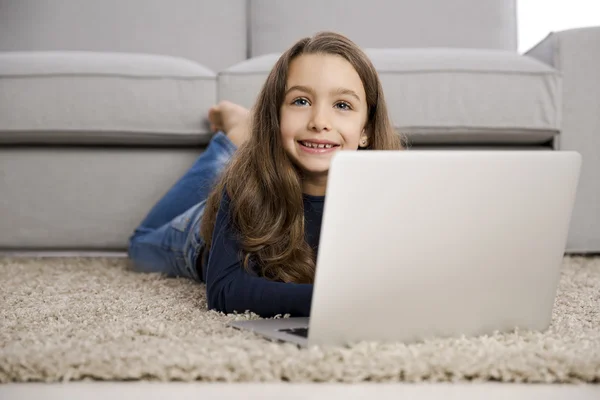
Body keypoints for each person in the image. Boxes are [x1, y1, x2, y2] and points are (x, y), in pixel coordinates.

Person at [128, 31, 404, 318]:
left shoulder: (390, 192)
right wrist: (332, 300)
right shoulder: (246, 183)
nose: (320, 122)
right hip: (200, 236)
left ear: (366, 130)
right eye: (300, 101)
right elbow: (224, 290)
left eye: (342, 105)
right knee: (140, 247)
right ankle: (233, 137)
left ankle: (240, 134)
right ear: (275, 115)